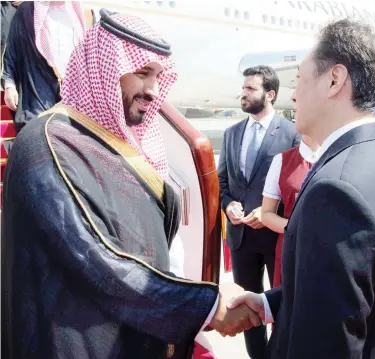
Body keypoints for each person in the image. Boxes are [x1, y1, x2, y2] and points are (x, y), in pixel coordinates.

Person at [1, 9, 260, 359]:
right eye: (141, 73)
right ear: (102, 67)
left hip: (131, 335)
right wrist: (206, 305)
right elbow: (95, 258)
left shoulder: (124, 144)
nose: (153, 90)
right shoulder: (46, 144)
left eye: (158, 75)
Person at [229, 19, 375, 359]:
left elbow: (328, 342)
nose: (293, 94)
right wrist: (269, 302)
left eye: (300, 80)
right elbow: (354, 289)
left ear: (335, 80)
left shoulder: (337, 189)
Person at [218, 65, 299, 359]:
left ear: (270, 94)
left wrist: (268, 214)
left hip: (276, 239)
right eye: (243, 88)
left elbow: (296, 183)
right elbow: (222, 181)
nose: (244, 93)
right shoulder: (231, 133)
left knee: (281, 306)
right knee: (247, 310)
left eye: (251, 89)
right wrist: (228, 204)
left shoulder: (291, 133)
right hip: (240, 239)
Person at [1, 1, 92, 133]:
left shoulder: (85, 14)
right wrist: (9, 84)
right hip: (37, 93)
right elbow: (12, 49)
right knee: (35, 136)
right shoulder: (28, 10)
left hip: (72, 97)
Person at [261, 135, 319, 287]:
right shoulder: (282, 160)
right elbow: (266, 214)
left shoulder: (339, 156)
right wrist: (297, 228)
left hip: (329, 247)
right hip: (292, 245)